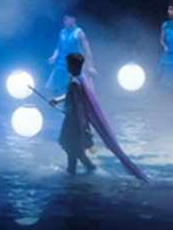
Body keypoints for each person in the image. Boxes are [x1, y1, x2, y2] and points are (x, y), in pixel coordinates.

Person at [50, 53, 146, 181]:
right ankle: (78, 169)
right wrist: (57, 99)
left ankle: (81, 169)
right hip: (71, 119)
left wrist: (82, 126)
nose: (67, 66)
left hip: (74, 121)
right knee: (72, 147)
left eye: (69, 64)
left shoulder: (76, 83)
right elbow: (69, 95)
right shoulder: (75, 79)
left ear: (74, 66)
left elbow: (79, 105)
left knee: (71, 147)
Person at [45, 14, 93, 97]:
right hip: (62, 63)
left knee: (78, 86)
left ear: (73, 20)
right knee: (50, 86)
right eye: (64, 20)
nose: (65, 22)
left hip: (74, 65)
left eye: (67, 20)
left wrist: (90, 66)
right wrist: (54, 56)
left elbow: (87, 50)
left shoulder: (79, 33)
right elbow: (58, 47)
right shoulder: (62, 32)